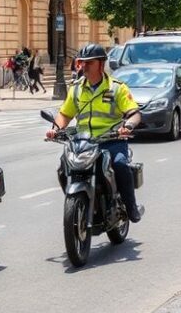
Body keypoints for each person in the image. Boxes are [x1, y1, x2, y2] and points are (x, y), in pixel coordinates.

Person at [45, 43, 144, 223]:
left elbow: (134, 113)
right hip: (84, 142)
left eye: (89, 63)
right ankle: (78, 201)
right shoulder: (76, 88)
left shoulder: (116, 88)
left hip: (111, 140)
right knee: (63, 167)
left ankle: (131, 207)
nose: (84, 66)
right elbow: (65, 114)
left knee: (120, 165)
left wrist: (128, 126)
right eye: (82, 62)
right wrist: (55, 129)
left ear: (101, 64)